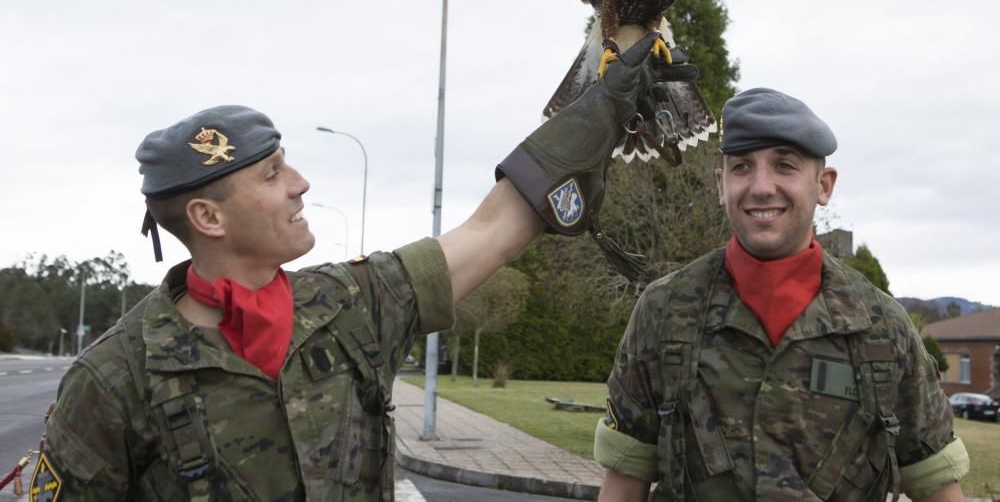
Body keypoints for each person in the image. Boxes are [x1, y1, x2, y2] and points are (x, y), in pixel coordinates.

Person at [28, 33, 673, 501]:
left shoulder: (352, 305)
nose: (301, 184)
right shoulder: (113, 381)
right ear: (209, 218)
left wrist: (602, 109)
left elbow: (493, 229)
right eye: (273, 174)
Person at [594, 88, 969, 502]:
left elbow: (937, 487)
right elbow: (623, 483)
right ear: (721, 185)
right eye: (741, 167)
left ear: (823, 186)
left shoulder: (882, 329)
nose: (760, 186)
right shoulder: (664, 313)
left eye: (784, 166)